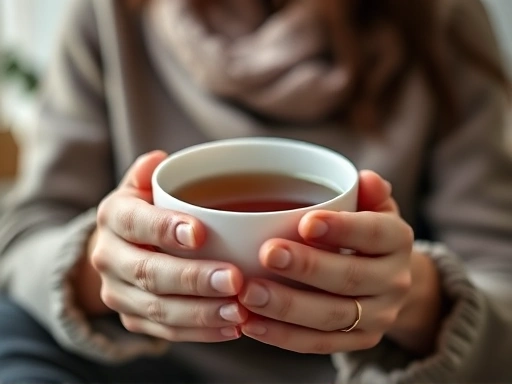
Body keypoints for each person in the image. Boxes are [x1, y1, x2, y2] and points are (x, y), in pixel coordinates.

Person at [0, 0, 511, 382]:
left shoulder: (439, 18)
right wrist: (103, 269)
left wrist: (416, 298)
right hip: (146, 364)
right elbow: (26, 234)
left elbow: (502, 276)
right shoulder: (111, 14)